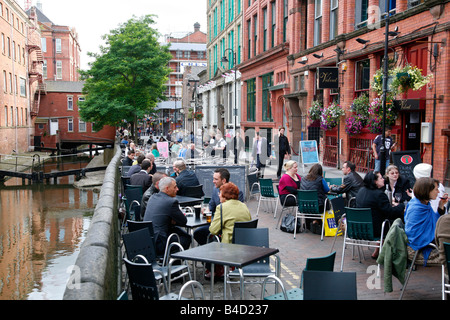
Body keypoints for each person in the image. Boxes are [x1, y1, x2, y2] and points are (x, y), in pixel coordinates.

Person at [355, 171, 405, 258]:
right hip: (375, 229)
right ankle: (398, 254)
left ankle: (377, 251)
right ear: (375, 181)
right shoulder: (379, 195)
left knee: (381, 220)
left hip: (359, 228)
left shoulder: (361, 191)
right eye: (381, 178)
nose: (383, 179)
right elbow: (390, 213)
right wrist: (402, 206)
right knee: (398, 221)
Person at [207, 182, 251, 278]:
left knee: (209, 238)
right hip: (245, 244)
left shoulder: (221, 207)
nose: (218, 195)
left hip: (229, 246)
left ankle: (213, 270)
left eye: (220, 193)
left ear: (225, 195)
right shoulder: (244, 206)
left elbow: (213, 230)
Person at [193, 168, 245, 246]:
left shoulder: (236, 192)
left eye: (216, 179)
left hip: (228, 229)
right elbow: (211, 206)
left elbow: (234, 213)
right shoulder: (215, 189)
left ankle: (213, 250)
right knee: (199, 232)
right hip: (221, 225)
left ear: (223, 180)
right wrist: (207, 210)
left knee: (201, 232)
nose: (213, 181)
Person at [404, 177, 448, 265]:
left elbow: (433, 222)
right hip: (417, 252)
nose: (438, 192)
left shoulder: (424, 204)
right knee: (448, 255)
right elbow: (416, 238)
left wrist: (440, 206)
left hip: (423, 247)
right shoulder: (416, 209)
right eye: (436, 189)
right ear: (427, 191)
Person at [143, 177, 191, 256]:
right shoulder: (171, 202)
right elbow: (183, 221)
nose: (177, 189)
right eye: (175, 187)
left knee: (178, 232)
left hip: (147, 239)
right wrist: (172, 220)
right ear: (167, 188)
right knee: (186, 238)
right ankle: (174, 263)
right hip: (160, 242)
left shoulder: (152, 197)